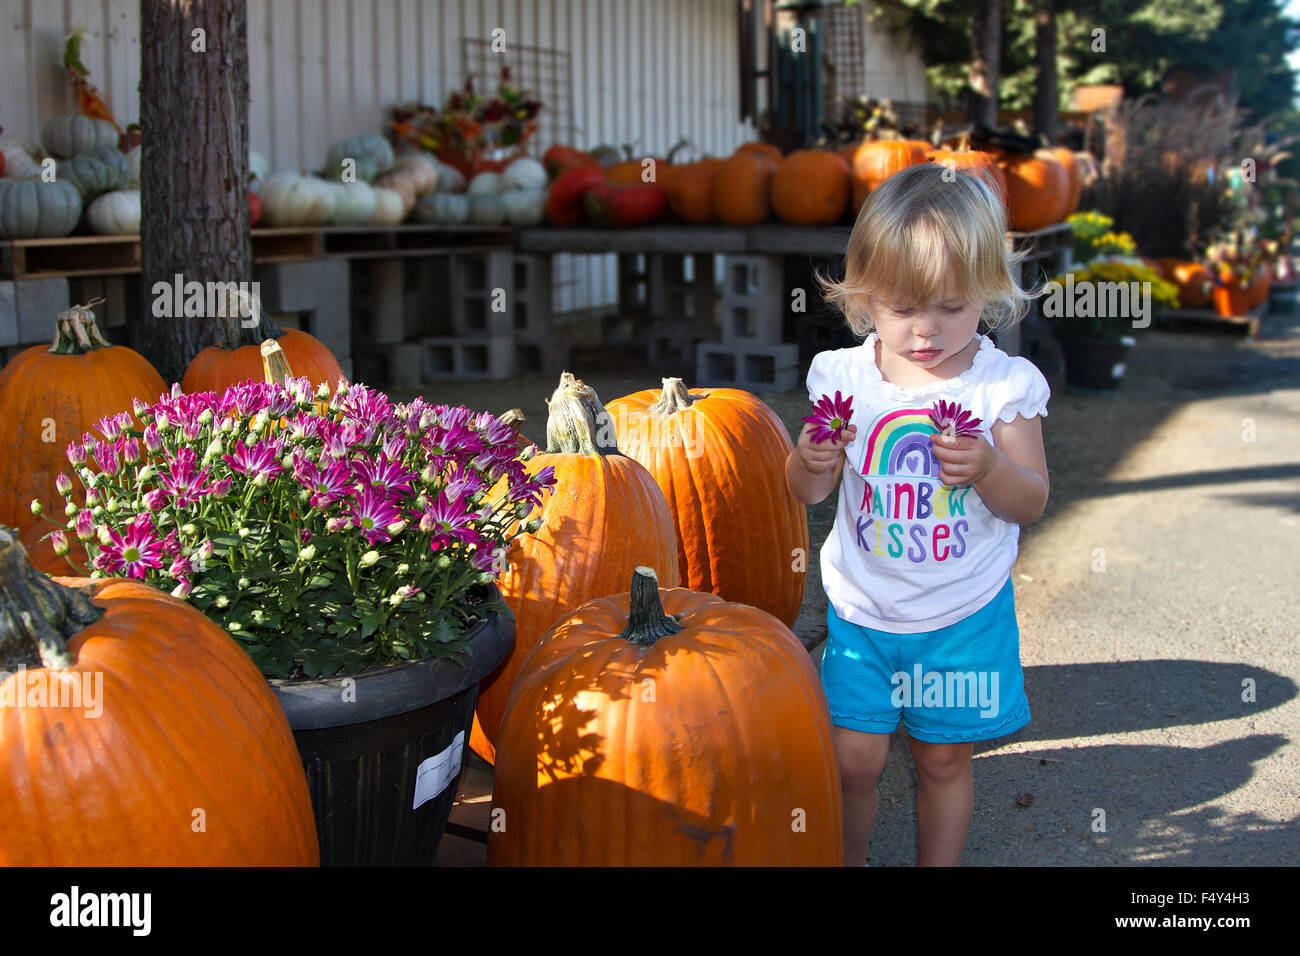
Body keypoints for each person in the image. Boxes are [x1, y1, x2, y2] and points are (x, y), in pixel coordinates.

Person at [785, 161, 1051, 867]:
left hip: (962, 614)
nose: (927, 330)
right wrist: (813, 461)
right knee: (852, 761)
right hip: (863, 611)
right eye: (903, 309)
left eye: (952, 307)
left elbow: (1032, 499)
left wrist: (992, 468)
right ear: (866, 298)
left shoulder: (1003, 387)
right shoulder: (843, 378)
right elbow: (806, 492)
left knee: (941, 762)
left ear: (989, 294)